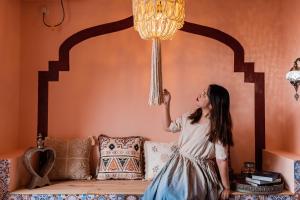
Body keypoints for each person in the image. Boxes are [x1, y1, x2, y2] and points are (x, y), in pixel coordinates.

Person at [142, 84, 233, 200]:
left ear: (212, 104)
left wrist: (226, 187)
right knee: (162, 190)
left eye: (205, 94)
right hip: (176, 165)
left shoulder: (217, 128)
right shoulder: (189, 117)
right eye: (203, 91)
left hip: (198, 171)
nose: (200, 94)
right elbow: (168, 126)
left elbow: (222, 160)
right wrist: (166, 104)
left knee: (181, 195)